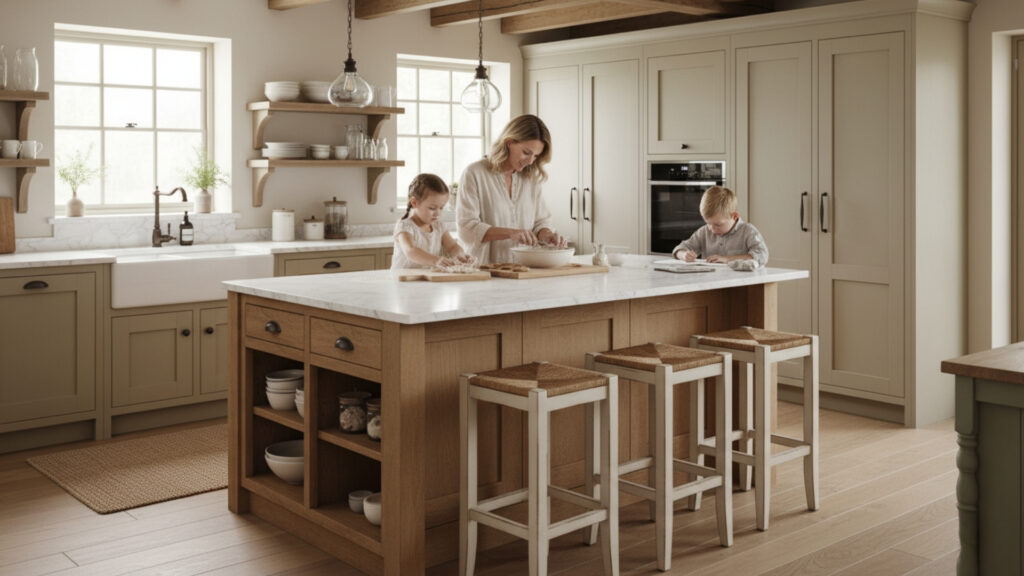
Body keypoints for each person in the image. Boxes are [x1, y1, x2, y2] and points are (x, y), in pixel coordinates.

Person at [457, 114, 566, 264]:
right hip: (482, 270)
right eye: (526, 152)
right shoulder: (475, 173)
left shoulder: (531, 179)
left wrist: (547, 235)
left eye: (536, 155)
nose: (530, 161)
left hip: (523, 269)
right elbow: (467, 229)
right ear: (509, 142)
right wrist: (511, 233)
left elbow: (541, 221)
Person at [391, 173, 473, 270]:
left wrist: (460, 255)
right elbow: (410, 251)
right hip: (402, 280)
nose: (437, 213)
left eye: (441, 208)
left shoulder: (439, 226)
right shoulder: (405, 226)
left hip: (427, 280)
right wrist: (436, 260)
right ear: (414, 203)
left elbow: (452, 246)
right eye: (432, 208)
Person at [672, 185, 769, 267]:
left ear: (734, 216)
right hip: (711, 283)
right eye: (708, 223)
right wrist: (683, 254)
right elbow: (680, 248)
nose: (712, 229)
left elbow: (762, 255)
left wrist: (728, 259)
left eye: (718, 224)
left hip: (741, 285)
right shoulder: (704, 232)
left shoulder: (748, 231)